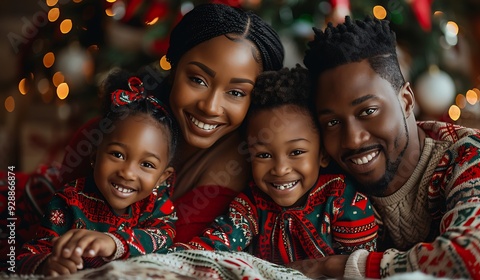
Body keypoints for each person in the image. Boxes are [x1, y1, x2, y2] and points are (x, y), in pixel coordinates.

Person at [10, 2, 285, 258]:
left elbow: (175, 251)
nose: (211, 107)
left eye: (236, 92)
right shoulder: (117, 125)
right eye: (197, 79)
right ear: (174, 68)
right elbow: (60, 224)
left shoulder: (240, 162)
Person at [290, 16, 480, 279]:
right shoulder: (327, 183)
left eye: (368, 111)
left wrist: (336, 266)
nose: (353, 139)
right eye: (332, 122)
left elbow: (479, 258)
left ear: (407, 100)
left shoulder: (472, 156)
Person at [169, 66, 378, 265]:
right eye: (264, 154)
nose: (280, 169)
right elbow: (217, 243)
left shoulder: (343, 200)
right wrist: (171, 261)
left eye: (296, 152)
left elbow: (356, 267)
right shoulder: (251, 205)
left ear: (322, 154)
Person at [16, 71, 178, 276]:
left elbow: (164, 236)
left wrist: (113, 243)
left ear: (163, 177)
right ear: (94, 156)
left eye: (147, 164)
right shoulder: (69, 202)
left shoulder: (156, 205)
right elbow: (25, 256)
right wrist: (47, 263)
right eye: (117, 154)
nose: (127, 173)